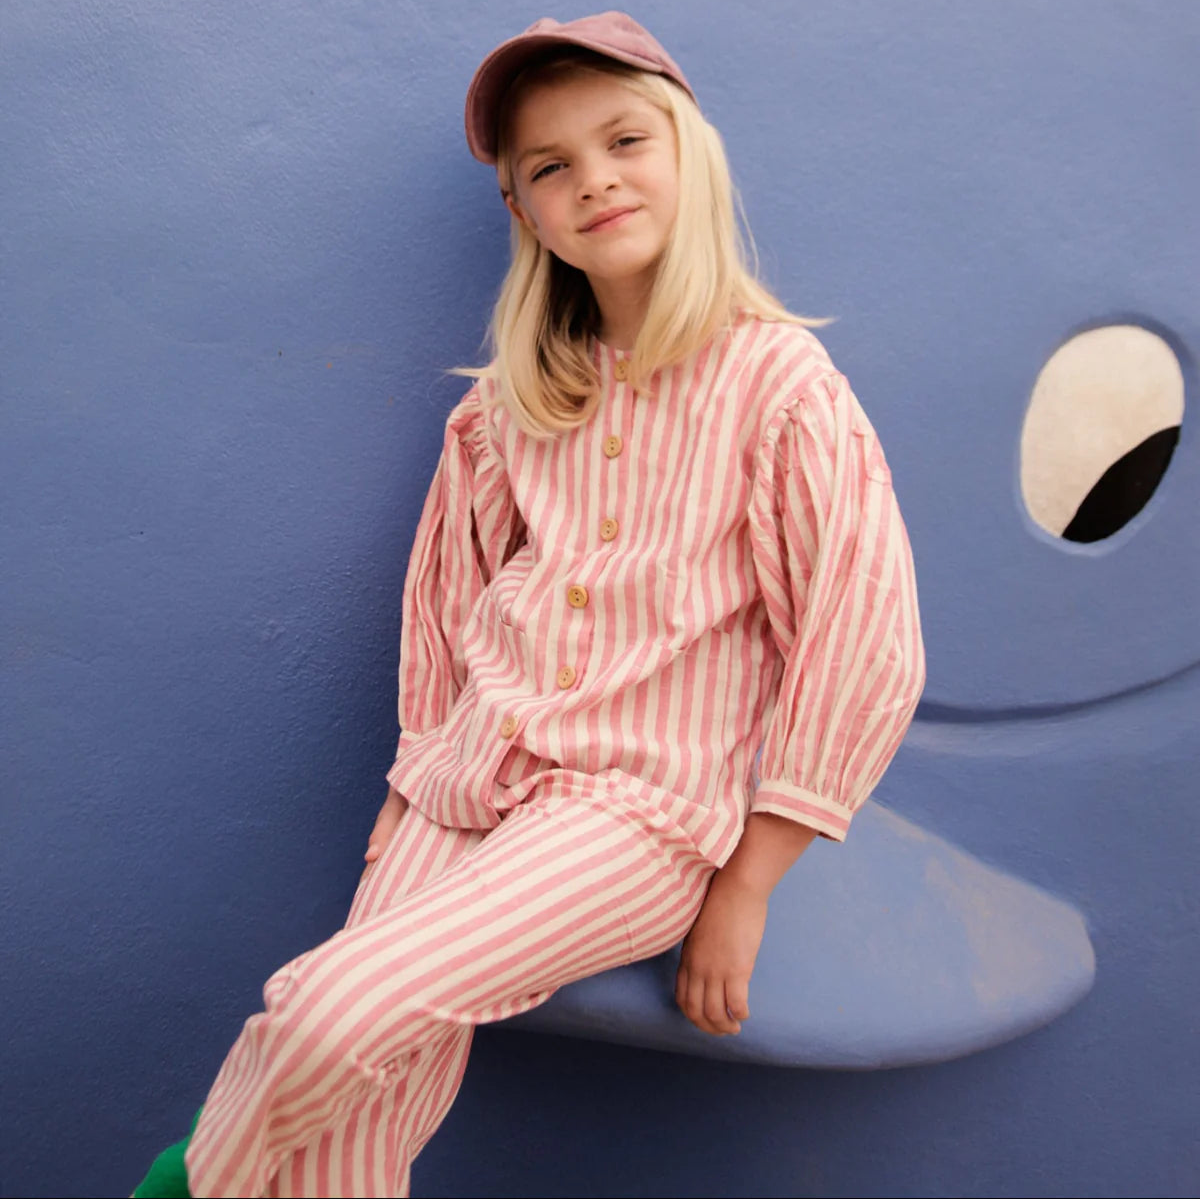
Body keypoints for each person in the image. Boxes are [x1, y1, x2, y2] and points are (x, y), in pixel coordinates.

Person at [133, 11, 925, 1198]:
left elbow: (863, 638)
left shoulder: (781, 386)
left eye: (625, 141)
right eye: (551, 167)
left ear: (690, 151)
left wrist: (750, 881)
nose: (594, 180)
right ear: (524, 212)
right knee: (358, 1125)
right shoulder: (514, 402)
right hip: (464, 778)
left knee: (331, 1009)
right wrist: (416, 774)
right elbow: (448, 598)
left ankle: (187, 1180)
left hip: (636, 814)